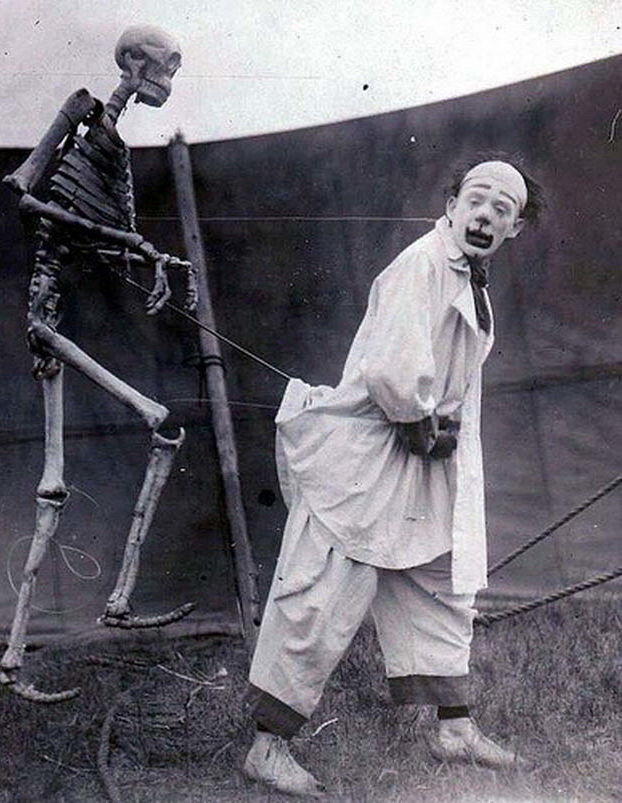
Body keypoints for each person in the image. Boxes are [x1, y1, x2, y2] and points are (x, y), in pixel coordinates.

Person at [242, 158, 544, 797]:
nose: (485, 215)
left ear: (515, 228)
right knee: (325, 591)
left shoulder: (467, 275)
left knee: (438, 581)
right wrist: (419, 421)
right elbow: (391, 371)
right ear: (452, 205)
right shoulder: (422, 265)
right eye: (476, 200)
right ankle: (267, 748)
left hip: (425, 454)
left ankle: (454, 728)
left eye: (502, 210)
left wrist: (432, 429)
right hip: (375, 452)